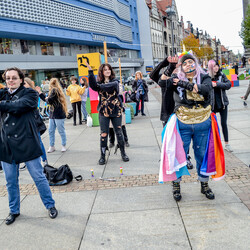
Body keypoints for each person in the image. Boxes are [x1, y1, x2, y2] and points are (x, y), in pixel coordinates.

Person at [0, 67, 58, 225]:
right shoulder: (3, 93)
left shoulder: (30, 93)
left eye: (14, 78)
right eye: (8, 78)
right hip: (6, 145)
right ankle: (14, 210)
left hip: (27, 142)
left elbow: (19, 106)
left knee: (39, 178)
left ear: (20, 79)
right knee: (11, 181)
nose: (10, 80)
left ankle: (50, 205)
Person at [163, 52, 215, 201]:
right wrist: (170, 67)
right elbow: (160, 81)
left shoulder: (204, 77)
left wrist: (182, 83)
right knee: (179, 155)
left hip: (202, 122)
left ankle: (204, 185)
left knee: (202, 155)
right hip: (183, 122)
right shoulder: (175, 78)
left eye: (191, 62)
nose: (188, 65)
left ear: (196, 64)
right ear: (181, 66)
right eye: (184, 63)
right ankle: (176, 186)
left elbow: (205, 89)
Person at [150, 56, 194, 170]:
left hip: (181, 112)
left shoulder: (182, 79)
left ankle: (186, 157)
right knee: (168, 139)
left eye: (177, 66)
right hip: (167, 113)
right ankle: (168, 159)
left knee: (183, 138)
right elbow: (152, 75)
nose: (175, 68)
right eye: (174, 66)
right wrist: (166, 62)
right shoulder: (163, 78)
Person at [87, 62, 129, 165]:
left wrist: (99, 86)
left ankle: (123, 153)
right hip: (103, 111)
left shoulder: (115, 81)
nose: (107, 71)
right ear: (102, 72)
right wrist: (90, 72)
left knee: (119, 132)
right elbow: (92, 85)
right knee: (104, 133)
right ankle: (102, 156)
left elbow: (110, 86)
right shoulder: (99, 83)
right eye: (105, 69)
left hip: (116, 110)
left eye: (109, 69)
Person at [36, 78, 67, 153]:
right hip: (54, 114)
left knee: (57, 130)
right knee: (53, 130)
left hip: (57, 114)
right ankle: (55, 146)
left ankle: (59, 145)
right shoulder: (56, 90)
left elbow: (48, 100)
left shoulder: (54, 90)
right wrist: (41, 94)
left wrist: (40, 93)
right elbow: (48, 100)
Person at [208, 60, 232, 152]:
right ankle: (215, 145)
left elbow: (228, 84)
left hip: (222, 103)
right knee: (213, 125)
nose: (216, 68)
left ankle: (227, 143)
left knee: (224, 124)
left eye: (217, 66)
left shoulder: (222, 75)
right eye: (214, 66)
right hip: (212, 104)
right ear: (210, 67)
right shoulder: (207, 77)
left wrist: (217, 84)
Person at [24, 77, 48, 166]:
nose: (22, 86)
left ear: (30, 85)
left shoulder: (33, 94)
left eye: (24, 84)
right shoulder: (20, 94)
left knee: (38, 142)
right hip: (24, 123)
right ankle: (27, 162)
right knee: (26, 143)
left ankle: (44, 160)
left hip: (34, 121)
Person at [109, 82, 130, 148]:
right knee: (110, 127)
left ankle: (125, 141)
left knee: (122, 126)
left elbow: (120, 93)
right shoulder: (104, 83)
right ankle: (111, 142)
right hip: (109, 108)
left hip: (118, 107)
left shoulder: (117, 84)